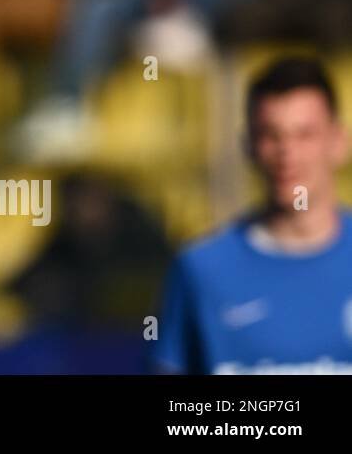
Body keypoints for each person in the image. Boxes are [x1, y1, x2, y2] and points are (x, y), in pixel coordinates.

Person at [151, 56, 352, 374]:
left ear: (338, 142)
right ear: (249, 146)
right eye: (271, 135)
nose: (287, 153)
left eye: (304, 135)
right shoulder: (202, 270)